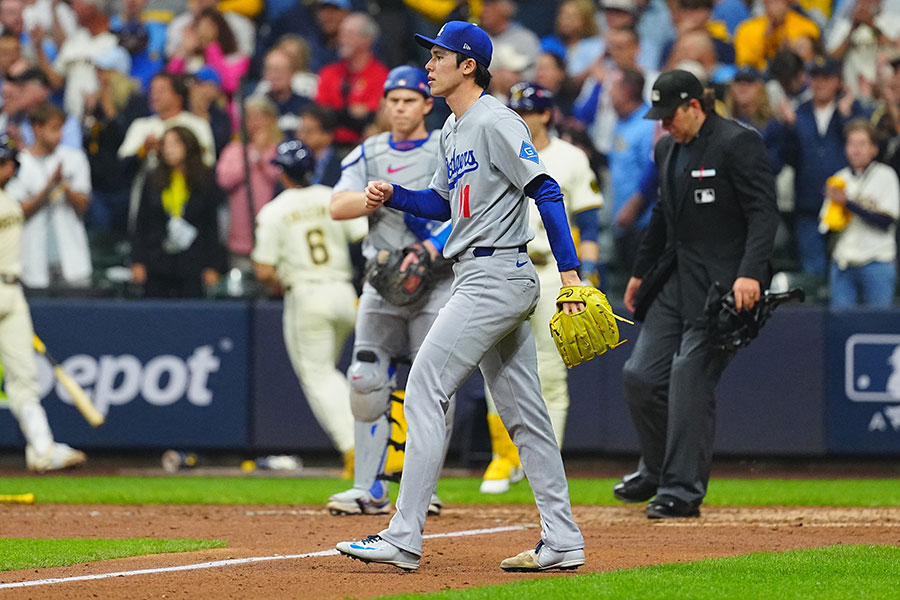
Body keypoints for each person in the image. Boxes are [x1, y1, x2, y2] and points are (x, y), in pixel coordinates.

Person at [336, 21, 585, 573]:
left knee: (424, 388)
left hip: (497, 274)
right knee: (526, 415)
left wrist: (570, 277)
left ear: (467, 65)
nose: (428, 65)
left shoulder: (496, 119)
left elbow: (544, 188)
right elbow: (445, 205)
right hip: (482, 273)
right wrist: (394, 195)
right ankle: (564, 539)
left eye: (438, 56)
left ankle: (403, 536)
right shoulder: (451, 128)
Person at [614, 70, 779, 518]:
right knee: (640, 376)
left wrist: (751, 274)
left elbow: (764, 214)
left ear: (694, 107)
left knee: (688, 374)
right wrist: (640, 273)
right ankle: (655, 468)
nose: (664, 125)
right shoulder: (667, 148)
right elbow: (662, 218)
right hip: (675, 278)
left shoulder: (736, 143)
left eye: (670, 116)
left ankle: (681, 490)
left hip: (724, 285)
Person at [327, 65, 452, 517]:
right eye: (393, 100)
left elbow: (469, 203)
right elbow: (337, 204)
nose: (399, 108)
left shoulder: (445, 144)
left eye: (408, 100)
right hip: (382, 276)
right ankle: (367, 487)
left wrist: (433, 247)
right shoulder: (370, 151)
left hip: (437, 278)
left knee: (432, 385)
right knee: (364, 378)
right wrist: (370, 200)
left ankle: (423, 489)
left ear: (426, 104)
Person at [480, 81, 603, 495]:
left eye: (528, 110)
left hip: (552, 271)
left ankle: (545, 465)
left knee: (550, 372)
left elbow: (588, 222)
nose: (521, 116)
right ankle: (504, 458)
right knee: (492, 364)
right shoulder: (498, 149)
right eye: (516, 109)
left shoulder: (570, 158)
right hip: (506, 266)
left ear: (546, 114)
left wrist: (589, 273)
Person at [252, 140, 366, 478]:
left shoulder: (274, 210)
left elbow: (263, 270)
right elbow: (361, 234)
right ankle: (369, 443)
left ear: (283, 172)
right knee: (332, 373)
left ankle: (356, 450)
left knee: (318, 376)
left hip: (307, 294)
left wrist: (277, 283)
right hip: (346, 292)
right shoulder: (331, 195)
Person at [0, 136, 86, 471]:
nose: (8, 167)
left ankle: (42, 448)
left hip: (12, 290)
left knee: (24, 376)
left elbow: (27, 207)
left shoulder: (9, 198)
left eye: (9, 162)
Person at [131, 126, 224, 298]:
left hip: (193, 262)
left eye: (175, 144)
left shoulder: (205, 180)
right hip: (157, 260)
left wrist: (212, 265)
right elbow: (141, 222)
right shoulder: (152, 179)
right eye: (165, 144)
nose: (169, 149)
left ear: (188, 146)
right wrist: (138, 261)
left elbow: (211, 225)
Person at [7, 102, 92, 290]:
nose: (59, 135)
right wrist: (48, 188)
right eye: (54, 129)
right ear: (37, 128)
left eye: (61, 129)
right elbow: (18, 213)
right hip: (32, 263)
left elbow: (84, 205)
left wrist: (64, 185)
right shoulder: (19, 163)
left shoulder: (74, 158)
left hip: (71, 261)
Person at [823, 119, 899, 308]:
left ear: (874, 148)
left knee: (877, 328)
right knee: (841, 327)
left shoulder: (885, 175)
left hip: (877, 263)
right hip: (844, 263)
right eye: (851, 144)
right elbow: (826, 226)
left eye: (862, 144)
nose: (856, 150)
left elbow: (886, 222)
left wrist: (848, 204)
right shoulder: (839, 179)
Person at [216, 95, 282, 270]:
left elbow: (280, 178)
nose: (254, 122)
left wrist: (261, 155)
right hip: (241, 235)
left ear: (271, 119)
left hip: (273, 234)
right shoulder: (234, 149)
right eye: (250, 117)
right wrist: (250, 157)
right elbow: (224, 181)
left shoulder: (280, 149)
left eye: (259, 117)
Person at [314, 12, 388, 148]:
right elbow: (320, 114)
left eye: (349, 35)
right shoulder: (328, 73)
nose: (342, 40)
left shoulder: (381, 76)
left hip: (365, 146)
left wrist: (338, 115)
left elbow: (375, 118)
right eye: (341, 34)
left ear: (366, 40)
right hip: (330, 146)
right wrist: (350, 114)